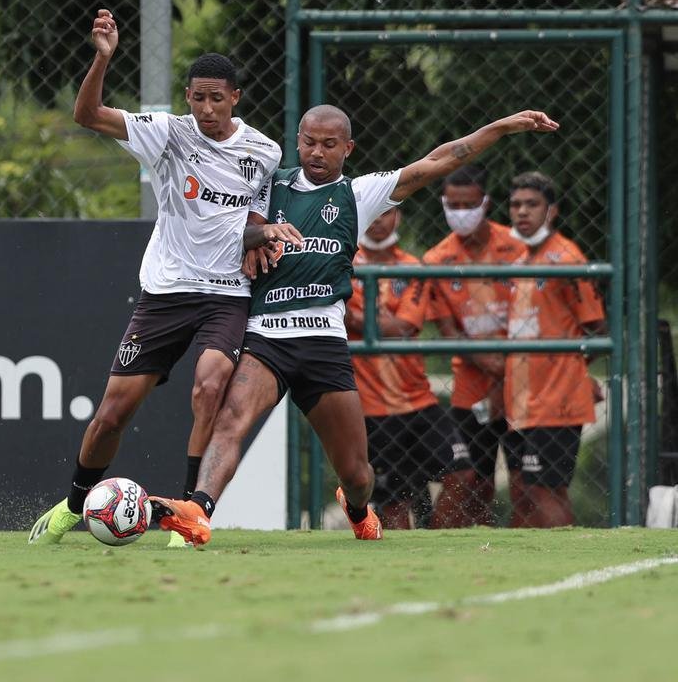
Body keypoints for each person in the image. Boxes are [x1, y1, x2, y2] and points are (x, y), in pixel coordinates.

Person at [149, 105, 559, 545]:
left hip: (324, 344)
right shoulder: (269, 185)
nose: (316, 152)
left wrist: (501, 125)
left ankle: (358, 507)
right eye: (308, 142)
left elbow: (442, 160)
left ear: (348, 148)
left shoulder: (359, 194)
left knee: (358, 472)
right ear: (298, 140)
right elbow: (231, 229)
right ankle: (199, 509)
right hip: (268, 335)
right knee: (231, 418)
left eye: (328, 145)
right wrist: (258, 236)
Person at [27, 9, 289, 546]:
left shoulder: (264, 153)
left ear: (235, 97)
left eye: (217, 98)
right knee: (112, 414)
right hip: (166, 292)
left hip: (226, 296)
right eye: (197, 98)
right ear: (187, 97)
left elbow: (249, 227)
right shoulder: (168, 133)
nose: (207, 109)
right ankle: (74, 504)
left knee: (209, 385)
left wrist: (264, 236)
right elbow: (87, 115)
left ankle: (189, 512)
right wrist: (102, 58)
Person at [343, 208, 473, 529]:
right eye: (370, 212)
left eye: (384, 212)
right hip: (371, 405)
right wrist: (377, 322)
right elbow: (339, 314)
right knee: (395, 506)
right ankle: (402, 564)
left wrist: (362, 321)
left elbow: (404, 326)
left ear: (397, 217)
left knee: (462, 472)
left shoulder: (412, 267)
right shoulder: (342, 262)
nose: (377, 220)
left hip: (418, 398)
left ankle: (434, 544)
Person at [423, 166, 527, 525]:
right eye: (453, 204)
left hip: (523, 386)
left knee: (524, 484)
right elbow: (448, 330)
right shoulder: (436, 260)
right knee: (475, 484)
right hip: (470, 390)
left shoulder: (516, 249)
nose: (461, 211)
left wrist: (505, 374)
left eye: (469, 204)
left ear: (485, 202)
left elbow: (528, 320)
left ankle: (528, 555)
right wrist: (495, 369)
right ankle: (475, 553)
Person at [503, 171, 605, 527]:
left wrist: (571, 370)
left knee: (546, 490)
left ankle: (569, 554)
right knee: (524, 489)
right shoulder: (518, 259)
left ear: (552, 211)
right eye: (516, 205)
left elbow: (596, 327)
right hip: (520, 396)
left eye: (532, 204)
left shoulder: (566, 257)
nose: (522, 212)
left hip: (555, 398)